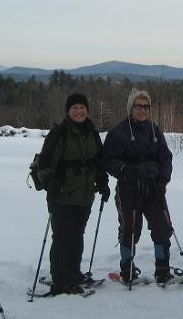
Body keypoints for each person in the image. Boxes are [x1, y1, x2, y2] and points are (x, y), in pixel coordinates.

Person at [36, 93, 110, 295]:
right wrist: (51, 182)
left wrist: (103, 183)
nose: (79, 111)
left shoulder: (92, 133)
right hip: (61, 194)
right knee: (62, 237)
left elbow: (99, 162)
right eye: (74, 108)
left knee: (77, 235)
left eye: (82, 107)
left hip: (85, 194)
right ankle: (61, 280)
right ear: (68, 111)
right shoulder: (59, 133)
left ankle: (74, 273)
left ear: (87, 110)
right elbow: (44, 163)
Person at [102, 88, 174, 284]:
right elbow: (108, 159)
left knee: (162, 226)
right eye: (138, 106)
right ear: (130, 108)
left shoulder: (154, 130)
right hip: (129, 188)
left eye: (146, 106)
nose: (142, 110)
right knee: (130, 229)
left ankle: (162, 268)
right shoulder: (119, 132)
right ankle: (127, 268)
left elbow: (166, 157)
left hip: (153, 187)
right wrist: (127, 169)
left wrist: (162, 180)